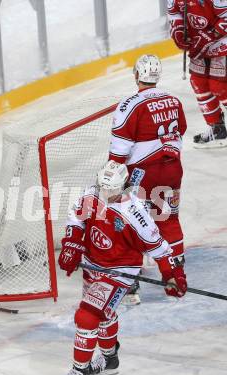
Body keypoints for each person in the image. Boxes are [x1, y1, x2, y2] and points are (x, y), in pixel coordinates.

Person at [54, 160, 187, 375]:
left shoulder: (135, 212)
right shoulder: (92, 193)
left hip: (119, 271)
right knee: (104, 314)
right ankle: (109, 359)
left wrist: (172, 274)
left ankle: (79, 372)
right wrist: (72, 244)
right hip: (94, 263)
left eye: (112, 190)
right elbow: (76, 218)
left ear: (123, 185)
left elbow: (159, 247)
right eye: (103, 187)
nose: (106, 194)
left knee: (87, 316)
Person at [108, 54, 187, 304]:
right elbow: (181, 130)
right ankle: (176, 276)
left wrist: (111, 179)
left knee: (131, 219)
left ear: (136, 75)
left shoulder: (129, 104)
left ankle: (129, 281)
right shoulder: (173, 100)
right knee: (168, 218)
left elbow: (118, 154)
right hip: (173, 170)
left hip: (144, 174)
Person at [168, 0, 227, 148]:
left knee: (219, 86)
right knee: (198, 83)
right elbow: (175, 14)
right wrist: (178, 32)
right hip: (198, 43)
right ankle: (216, 128)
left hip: (222, 40)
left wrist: (209, 36)